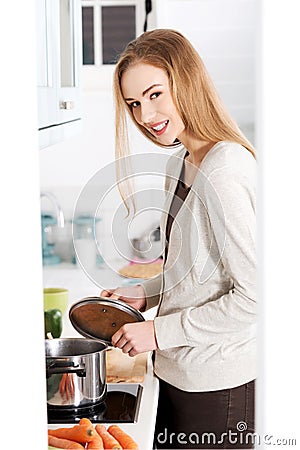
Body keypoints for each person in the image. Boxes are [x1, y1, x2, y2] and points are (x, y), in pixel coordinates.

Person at [101, 29, 256, 449]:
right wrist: (146, 293)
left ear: (185, 82)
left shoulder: (225, 172)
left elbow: (255, 299)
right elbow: (196, 271)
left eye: (154, 95)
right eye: (134, 104)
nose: (145, 115)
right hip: (175, 373)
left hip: (217, 387)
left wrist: (156, 333)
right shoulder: (182, 163)